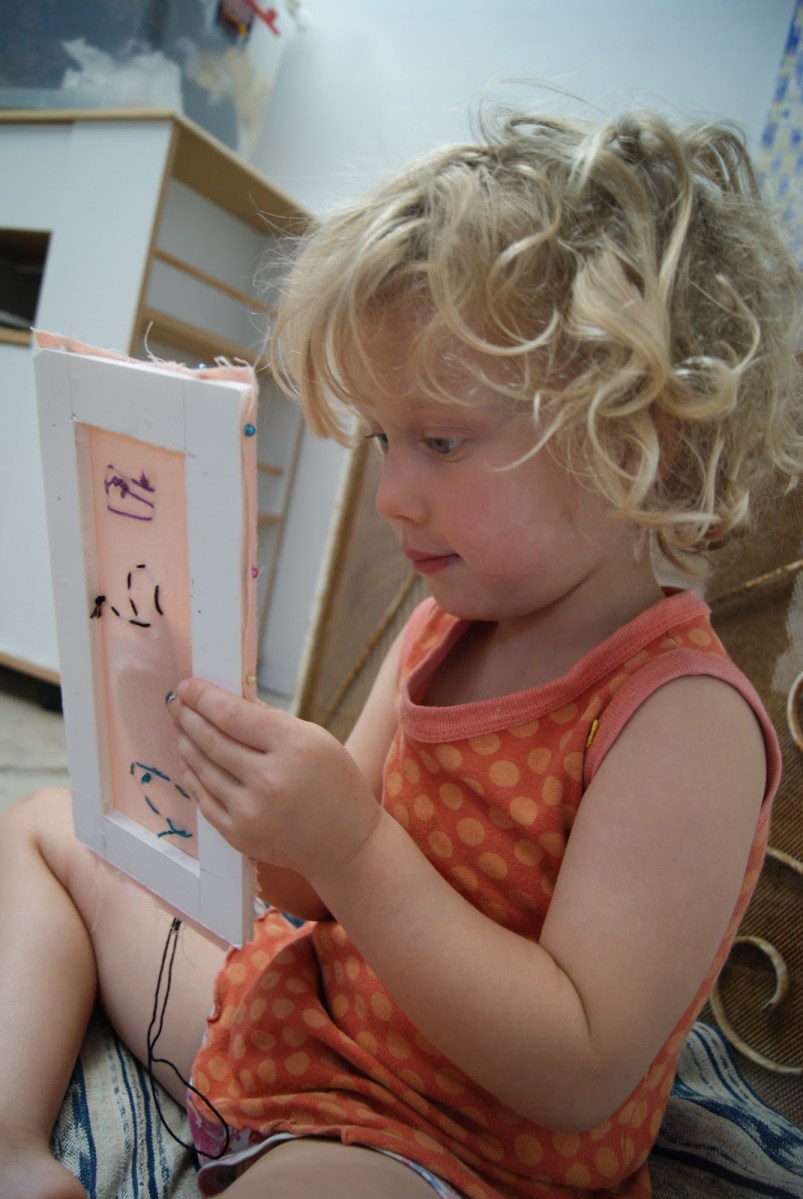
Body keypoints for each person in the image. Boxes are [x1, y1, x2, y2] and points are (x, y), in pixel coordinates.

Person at [1, 105, 801, 1199]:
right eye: (384, 437)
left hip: (442, 1145)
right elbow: (309, 888)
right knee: (46, 825)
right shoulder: (438, 625)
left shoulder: (680, 717)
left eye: (440, 440)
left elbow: (576, 1065)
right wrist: (230, 781)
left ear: (633, 438)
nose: (390, 494)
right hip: (301, 1030)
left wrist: (351, 843)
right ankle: (12, 1147)